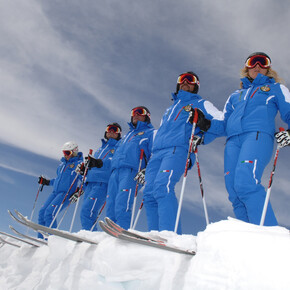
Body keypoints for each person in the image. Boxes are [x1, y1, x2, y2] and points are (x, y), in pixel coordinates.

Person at [141, 71, 223, 233]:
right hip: (157, 154)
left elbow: (222, 123)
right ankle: (154, 234)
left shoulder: (201, 103)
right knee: (149, 194)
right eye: (181, 79)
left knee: (163, 187)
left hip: (178, 150)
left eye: (190, 80)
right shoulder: (169, 109)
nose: (185, 82)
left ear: (195, 86)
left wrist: (204, 126)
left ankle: (169, 234)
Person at [218, 52, 290, 226]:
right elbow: (222, 124)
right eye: (253, 62)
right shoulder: (235, 95)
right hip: (233, 141)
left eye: (262, 62)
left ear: (268, 69)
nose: (257, 65)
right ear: (247, 68)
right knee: (234, 190)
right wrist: (203, 127)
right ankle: (247, 237)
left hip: (257, 135)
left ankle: (268, 236)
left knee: (246, 182)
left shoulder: (275, 88)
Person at [106, 106, 155, 229]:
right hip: (115, 172)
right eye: (134, 112)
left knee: (123, 202)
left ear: (147, 117)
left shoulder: (150, 133)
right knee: (111, 203)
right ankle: (111, 231)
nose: (136, 115)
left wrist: (147, 170)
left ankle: (122, 229)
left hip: (131, 172)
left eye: (140, 112)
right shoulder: (126, 136)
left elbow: (155, 153)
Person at [79, 123, 121, 231]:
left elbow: (114, 163)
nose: (111, 131)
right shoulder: (99, 149)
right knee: (85, 212)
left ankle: (89, 235)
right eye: (109, 129)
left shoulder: (119, 147)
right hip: (90, 182)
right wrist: (85, 169)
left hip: (103, 183)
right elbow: (94, 165)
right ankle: (88, 234)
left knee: (87, 210)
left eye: (114, 130)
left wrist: (98, 162)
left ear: (119, 134)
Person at [37, 141, 83, 234]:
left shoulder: (79, 164)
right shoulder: (61, 165)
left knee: (50, 213)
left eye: (68, 153)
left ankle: (51, 238)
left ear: (74, 152)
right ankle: (41, 239)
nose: (65, 155)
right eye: (64, 153)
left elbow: (85, 179)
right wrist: (47, 182)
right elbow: (58, 180)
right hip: (55, 192)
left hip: (66, 193)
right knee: (42, 212)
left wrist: (79, 191)